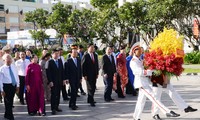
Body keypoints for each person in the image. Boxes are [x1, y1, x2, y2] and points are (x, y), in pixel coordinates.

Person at [130, 43, 180, 120]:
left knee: (141, 101)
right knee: (153, 97)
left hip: (145, 82)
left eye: (140, 50)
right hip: (141, 84)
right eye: (138, 50)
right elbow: (139, 72)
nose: (140, 51)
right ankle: (166, 111)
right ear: (134, 51)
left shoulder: (140, 60)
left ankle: (136, 117)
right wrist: (151, 71)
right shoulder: (133, 61)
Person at [0, 54, 19, 120]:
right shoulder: (2, 69)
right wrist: (1, 90)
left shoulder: (13, 67)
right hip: (6, 86)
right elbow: (0, 80)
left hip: (13, 85)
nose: (9, 60)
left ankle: (6, 114)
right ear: (4, 60)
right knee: (7, 101)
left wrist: (18, 85)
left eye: (10, 59)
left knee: (11, 101)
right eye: (7, 59)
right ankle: (10, 116)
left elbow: (16, 76)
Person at [46, 49, 64, 115]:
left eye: (57, 54)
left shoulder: (60, 61)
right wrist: (50, 81)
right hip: (53, 82)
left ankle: (57, 107)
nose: (57, 55)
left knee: (58, 94)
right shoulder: (50, 62)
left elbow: (62, 71)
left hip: (59, 81)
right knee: (53, 95)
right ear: (52, 54)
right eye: (55, 54)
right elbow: (48, 73)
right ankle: (53, 108)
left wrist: (63, 79)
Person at [64, 45, 82, 110]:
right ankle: (72, 105)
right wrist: (67, 79)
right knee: (73, 91)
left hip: (77, 78)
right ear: (71, 53)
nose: (75, 53)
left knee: (75, 91)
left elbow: (80, 69)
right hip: (71, 79)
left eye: (76, 52)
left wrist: (80, 78)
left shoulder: (78, 59)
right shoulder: (68, 61)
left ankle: (72, 103)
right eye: (74, 52)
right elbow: (66, 71)